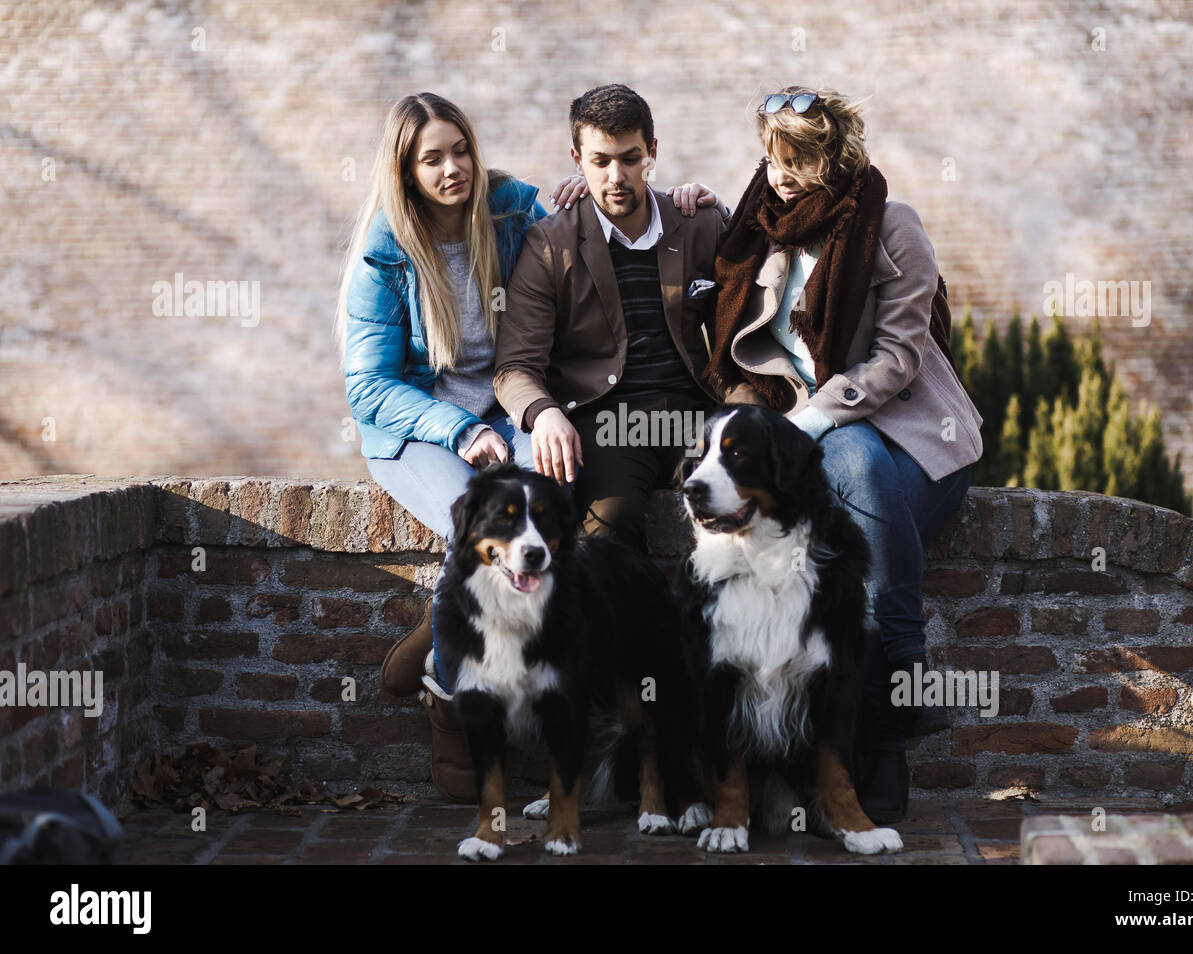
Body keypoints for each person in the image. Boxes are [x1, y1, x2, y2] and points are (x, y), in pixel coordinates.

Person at [336, 91, 718, 801]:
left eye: (461, 151)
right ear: (404, 169)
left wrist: (682, 197)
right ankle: (449, 700)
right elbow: (368, 387)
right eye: (432, 158)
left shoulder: (513, 208)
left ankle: (434, 636)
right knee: (476, 531)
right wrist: (460, 430)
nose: (452, 168)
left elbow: (597, 220)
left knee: (551, 504)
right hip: (416, 424)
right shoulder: (383, 253)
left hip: (501, 407)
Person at [704, 86, 985, 822]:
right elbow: (669, 220)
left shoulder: (890, 226)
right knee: (844, 548)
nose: (781, 176)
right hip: (818, 440)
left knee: (853, 469)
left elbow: (898, 359)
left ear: (836, 158)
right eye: (771, 159)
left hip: (916, 441)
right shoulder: (761, 229)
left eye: (797, 161)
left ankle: (890, 706)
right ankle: (888, 726)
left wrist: (812, 419)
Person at [494, 84, 727, 556]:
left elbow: (745, 333)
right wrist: (543, 414)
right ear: (577, 158)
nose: (616, 176)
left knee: (745, 517)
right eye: (600, 161)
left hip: (698, 415)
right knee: (610, 535)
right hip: (608, 421)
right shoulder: (549, 244)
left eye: (630, 158)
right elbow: (515, 365)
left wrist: (748, 410)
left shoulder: (700, 223)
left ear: (652, 153)